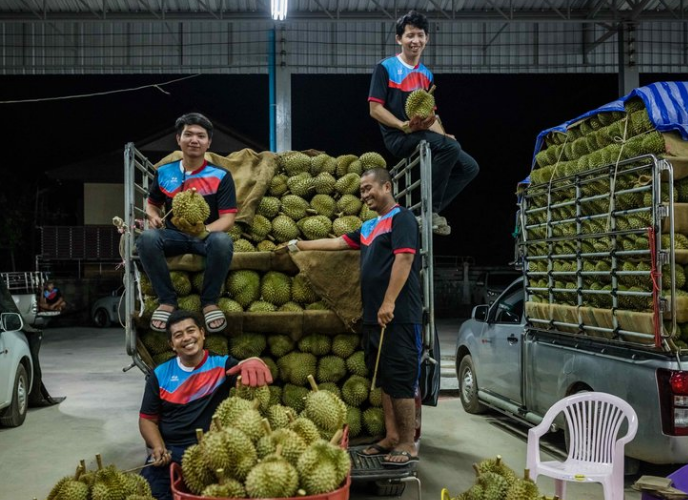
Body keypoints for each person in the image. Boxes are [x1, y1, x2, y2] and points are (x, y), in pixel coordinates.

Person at [280, 168, 422, 467]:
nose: (365, 194)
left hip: (398, 314)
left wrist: (389, 301)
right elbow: (337, 243)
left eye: (370, 188)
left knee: (400, 379)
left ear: (386, 186)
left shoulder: (402, 218)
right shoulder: (370, 227)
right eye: (361, 190)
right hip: (373, 316)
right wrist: (298, 245)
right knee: (382, 378)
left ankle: (408, 443)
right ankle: (392, 436)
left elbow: (405, 257)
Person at [139, 310, 273, 500]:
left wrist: (255, 361)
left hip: (215, 449)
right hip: (172, 450)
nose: (186, 338)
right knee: (151, 492)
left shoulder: (222, 365)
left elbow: (244, 367)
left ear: (202, 333)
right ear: (172, 345)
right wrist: (158, 446)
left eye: (191, 331)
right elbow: (147, 420)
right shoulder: (160, 374)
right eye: (178, 335)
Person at [368, 10, 479, 236]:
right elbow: (375, 109)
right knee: (450, 148)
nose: (415, 40)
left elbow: (431, 116)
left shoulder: (426, 75)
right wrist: (401, 125)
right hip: (398, 137)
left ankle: (427, 210)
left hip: (419, 133)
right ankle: (429, 212)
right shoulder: (386, 67)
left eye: (420, 35)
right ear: (399, 39)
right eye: (410, 35)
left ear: (427, 38)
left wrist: (444, 135)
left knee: (469, 166)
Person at [136, 112, 236, 334]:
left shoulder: (221, 175)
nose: (194, 140)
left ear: (208, 142)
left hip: (206, 237)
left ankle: (209, 302)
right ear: (178, 139)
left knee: (223, 241)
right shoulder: (164, 172)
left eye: (201, 136)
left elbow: (228, 218)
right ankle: (167, 301)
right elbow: (152, 204)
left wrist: (204, 230)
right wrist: (152, 215)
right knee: (146, 239)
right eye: (188, 134)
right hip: (174, 236)